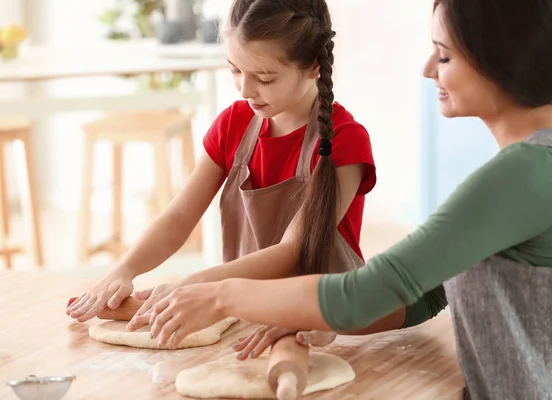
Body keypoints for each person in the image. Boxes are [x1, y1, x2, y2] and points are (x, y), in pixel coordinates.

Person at [146, 0, 552, 398]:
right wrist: (317, 319)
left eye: (443, 55)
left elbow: (365, 292)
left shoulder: (526, 175)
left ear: (498, 60)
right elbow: (426, 293)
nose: (428, 69)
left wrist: (221, 296)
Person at [66, 0, 379, 355]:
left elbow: (294, 250)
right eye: (235, 71)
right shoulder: (233, 124)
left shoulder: (344, 139)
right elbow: (179, 216)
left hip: (323, 321)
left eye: (264, 78)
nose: (244, 90)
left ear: (313, 67)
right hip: (245, 314)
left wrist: (196, 285)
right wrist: (124, 269)